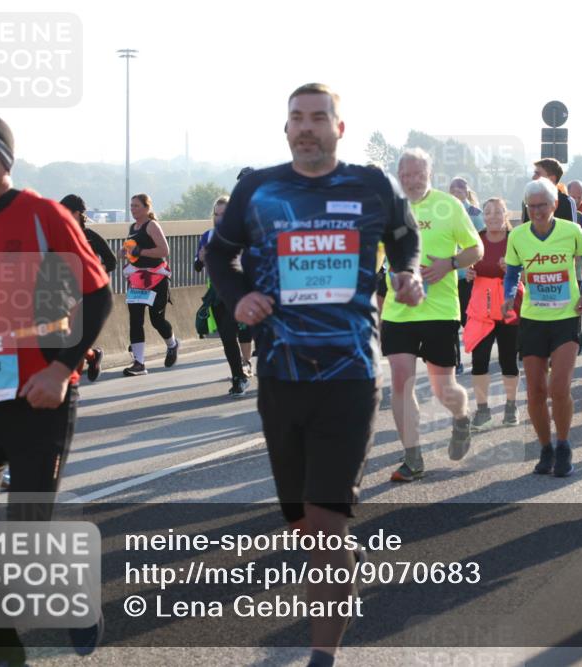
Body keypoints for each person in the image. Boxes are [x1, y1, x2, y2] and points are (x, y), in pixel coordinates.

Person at [204, 83, 423, 667]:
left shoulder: (373, 186)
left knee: (325, 524)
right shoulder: (257, 189)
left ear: (339, 128)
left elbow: (406, 238)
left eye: (319, 117)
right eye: (297, 118)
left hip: (350, 376)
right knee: (304, 524)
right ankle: (339, 570)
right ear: (285, 129)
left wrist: (406, 272)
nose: (307, 127)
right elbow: (216, 256)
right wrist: (240, 295)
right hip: (279, 376)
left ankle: (322, 654)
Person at [0, 111, 112, 666]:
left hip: (41, 398)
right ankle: (2, 645)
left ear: (4, 162)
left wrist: (60, 369)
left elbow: (98, 296)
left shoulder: (43, 216)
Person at [381, 147, 483, 482]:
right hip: (400, 309)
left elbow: (476, 249)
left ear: (430, 174)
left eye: (418, 175)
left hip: (440, 309)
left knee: (444, 389)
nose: (411, 181)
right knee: (400, 380)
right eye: (405, 175)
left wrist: (448, 264)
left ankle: (461, 416)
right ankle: (413, 458)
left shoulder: (449, 206)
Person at [504, 178, 582, 478]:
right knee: (534, 391)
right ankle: (545, 448)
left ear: (554, 205)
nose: (537, 211)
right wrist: (508, 296)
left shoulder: (571, 230)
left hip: (566, 316)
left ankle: (564, 444)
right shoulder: (517, 236)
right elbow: (513, 270)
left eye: (542, 205)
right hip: (533, 319)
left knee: (559, 388)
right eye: (531, 207)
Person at [464, 198, 522, 430]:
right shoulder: (475, 239)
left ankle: (510, 407)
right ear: (483, 216)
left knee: (508, 360)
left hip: (508, 306)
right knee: (479, 360)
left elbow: (528, 266)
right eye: (488, 212)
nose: (493, 216)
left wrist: (515, 268)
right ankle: (482, 410)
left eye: (498, 212)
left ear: (505, 215)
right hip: (482, 308)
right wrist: (467, 274)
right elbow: (465, 267)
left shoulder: (514, 239)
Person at [194, 196, 254, 397]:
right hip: (218, 293)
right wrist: (201, 259)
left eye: (224, 214)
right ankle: (239, 377)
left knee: (238, 330)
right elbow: (197, 266)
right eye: (216, 214)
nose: (219, 219)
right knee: (228, 338)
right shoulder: (207, 236)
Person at [59, 194, 116, 381]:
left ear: (76, 213)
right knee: (69, 338)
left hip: (88, 294)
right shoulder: (59, 235)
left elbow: (111, 260)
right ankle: (93, 356)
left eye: (66, 212)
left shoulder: (90, 236)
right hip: (64, 293)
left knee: (75, 337)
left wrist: (96, 273)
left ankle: (73, 386)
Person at [122, 193, 179, 375]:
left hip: (156, 279)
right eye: (131, 206)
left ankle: (172, 344)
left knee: (156, 319)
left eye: (136, 206)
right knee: (135, 320)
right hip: (138, 279)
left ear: (147, 208)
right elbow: (131, 249)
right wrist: (124, 252)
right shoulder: (133, 227)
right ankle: (139, 363)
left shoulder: (152, 225)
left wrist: (141, 251)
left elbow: (164, 250)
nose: (133, 209)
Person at [449, 177, 484, 374]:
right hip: (449, 274)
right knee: (451, 321)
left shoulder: (474, 213)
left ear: (466, 192)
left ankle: (478, 357)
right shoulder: (443, 212)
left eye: (459, 191)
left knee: (469, 320)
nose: (455, 194)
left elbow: (482, 243)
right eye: (452, 191)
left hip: (469, 276)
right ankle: (455, 362)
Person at [521, 158, 576, 224]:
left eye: (537, 174)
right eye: (532, 206)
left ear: (551, 178)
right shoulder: (528, 200)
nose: (533, 177)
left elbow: (571, 231)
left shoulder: (566, 202)